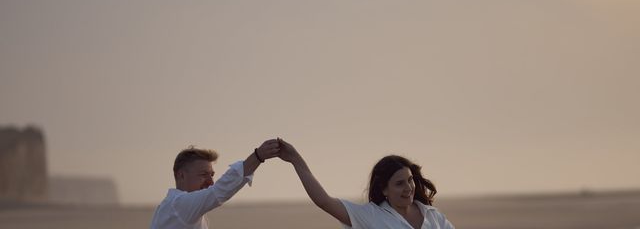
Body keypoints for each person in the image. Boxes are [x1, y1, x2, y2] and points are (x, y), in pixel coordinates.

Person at [277, 138, 454, 229]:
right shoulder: (370, 216)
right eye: (399, 183)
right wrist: (295, 159)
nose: (408, 188)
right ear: (384, 188)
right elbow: (323, 201)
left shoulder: (433, 216)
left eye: (410, 180)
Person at [150, 139, 280, 229]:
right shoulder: (179, 205)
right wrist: (258, 156)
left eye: (211, 175)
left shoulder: (173, 206)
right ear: (181, 175)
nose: (210, 181)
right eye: (203, 175)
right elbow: (218, 191)